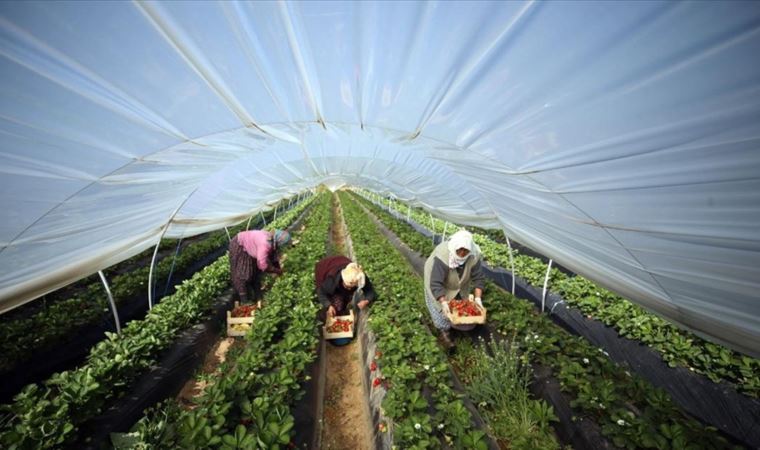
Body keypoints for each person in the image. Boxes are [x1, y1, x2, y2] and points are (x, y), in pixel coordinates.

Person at [424, 229, 485, 351]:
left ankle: (457, 325)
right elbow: (435, 283)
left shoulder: (474, 255)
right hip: (438, 281)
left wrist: (478, 299)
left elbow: (478, 278)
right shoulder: (443, 256)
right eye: (459, 250)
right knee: (440, 310)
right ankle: (444, 332)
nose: (462, 253)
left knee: (459, 302)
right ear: (454, 247)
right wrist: (443, 302)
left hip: (458, 282)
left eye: (465, 250)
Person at [229, 229, 291, 303]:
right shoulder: (265, 243)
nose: (281, 247)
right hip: (239, 244)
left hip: (250, 245)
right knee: (244, 273)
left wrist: (279, 272)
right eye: (282, 244)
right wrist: (275, 270)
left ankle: (258, 297)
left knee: (255, 272)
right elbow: (262, 265)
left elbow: (274, 258)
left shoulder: (272, 240)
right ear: (279, 241)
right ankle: (245, 301)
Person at [314, 255, 376, 321]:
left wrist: (366, 300)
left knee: (343, 300)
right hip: (324, 267)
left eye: (352, 287)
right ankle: (325, 316)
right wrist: (329, 305)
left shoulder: (359, 276)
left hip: (341, 262)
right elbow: (321, 292)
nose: (349, 289)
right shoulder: (331, 279)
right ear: (342, 279)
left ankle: (341, 310)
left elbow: (370, 290)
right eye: (347, 286)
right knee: (334, 305)